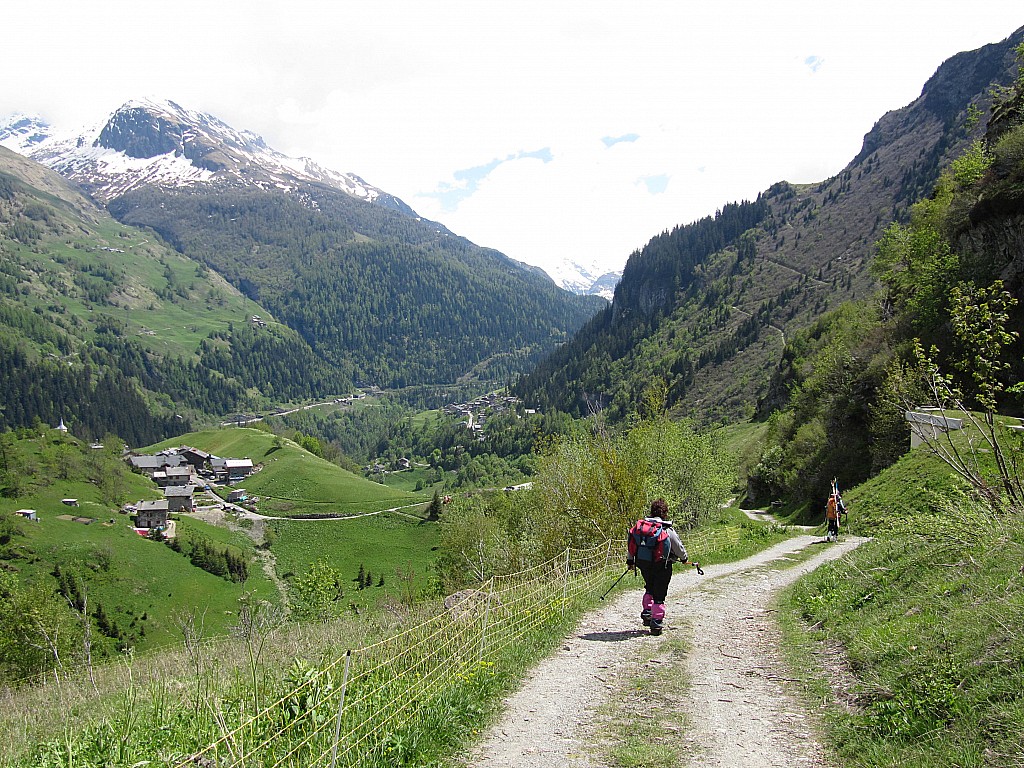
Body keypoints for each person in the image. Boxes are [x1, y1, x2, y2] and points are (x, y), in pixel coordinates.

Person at [626, 498, 688, 636]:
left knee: (649, 586)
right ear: (665, 513)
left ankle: (647, 612)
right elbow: (678, 546)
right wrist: (684, 558)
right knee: (659, 593)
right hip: (662, 565)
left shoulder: (641, 528)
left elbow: (631, 545)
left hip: (644, 563)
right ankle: (656, 623)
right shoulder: (665, 529)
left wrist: (630, 561)